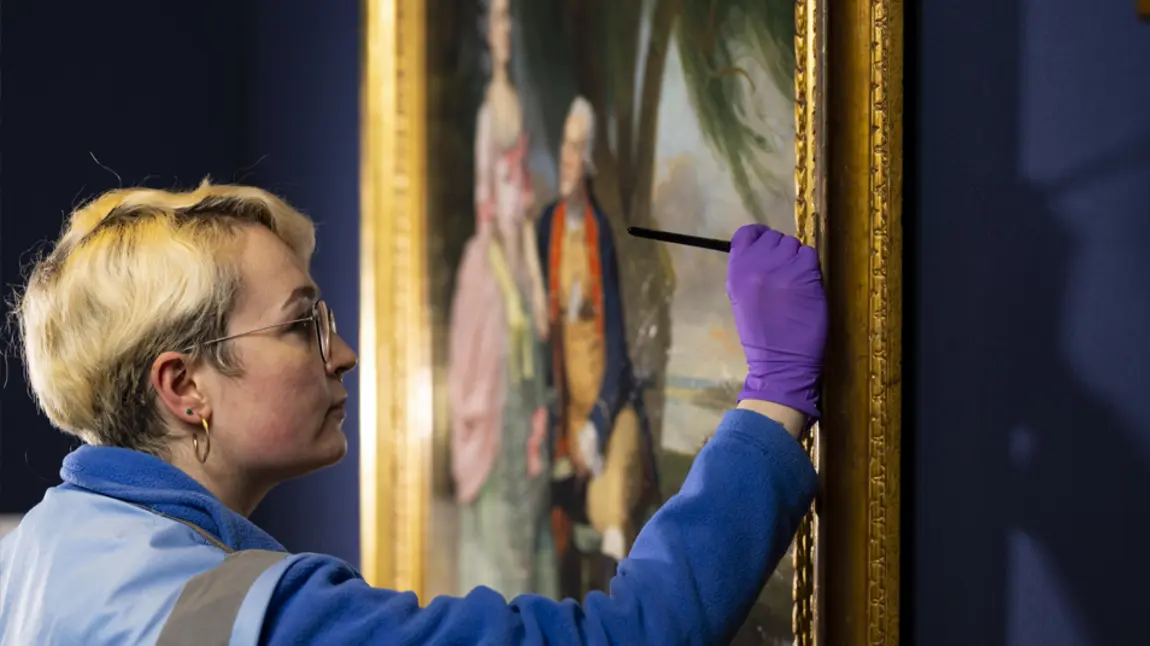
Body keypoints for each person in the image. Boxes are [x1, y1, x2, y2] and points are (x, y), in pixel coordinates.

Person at [0, 180, 826, 646]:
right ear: (184, 389)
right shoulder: (247, 618)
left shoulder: (41, 551)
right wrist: (774, 398)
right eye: (302, 324)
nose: (343, 353)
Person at [445, 0, 555, 599]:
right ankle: (500, 595)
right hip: (491, 276)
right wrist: (514, 291)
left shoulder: (517, 103)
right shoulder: (491, 111)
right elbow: (495, 210)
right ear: (488, 33)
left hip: (515, 265)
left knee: (528, 426)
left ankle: (531, 594)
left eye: (512, 19)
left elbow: (525, 218)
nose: (505, 30)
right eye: (498, 21)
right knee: (501, 416)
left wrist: (535, 287)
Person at [535, 96, 659, 597]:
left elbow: (620, 351)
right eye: (565, 146)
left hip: (609, 408)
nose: (568, 159)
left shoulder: (601, 232)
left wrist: (598, 425)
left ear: (588, 162)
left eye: (577, 149)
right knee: (553, 518)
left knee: (611, 512)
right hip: (564, 416)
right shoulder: (548, 226)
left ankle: (621, 620)